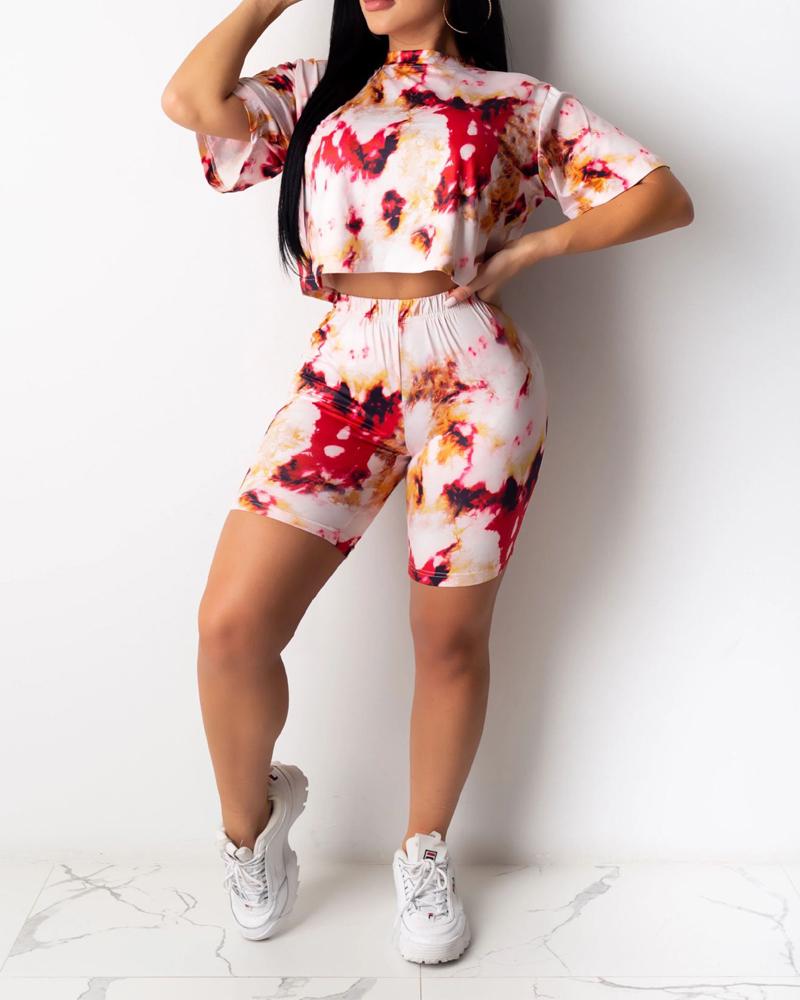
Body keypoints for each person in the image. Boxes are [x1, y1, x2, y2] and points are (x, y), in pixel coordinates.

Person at [161, 0, 694, 965]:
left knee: (447, 639)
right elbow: (191, 101)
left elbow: (661, 195)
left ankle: (424, 852)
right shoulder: (316, 93)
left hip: (475, 381)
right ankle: (251, 828)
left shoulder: (513, 102)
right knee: (231, 628)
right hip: (343, 377)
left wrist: (535, 246)